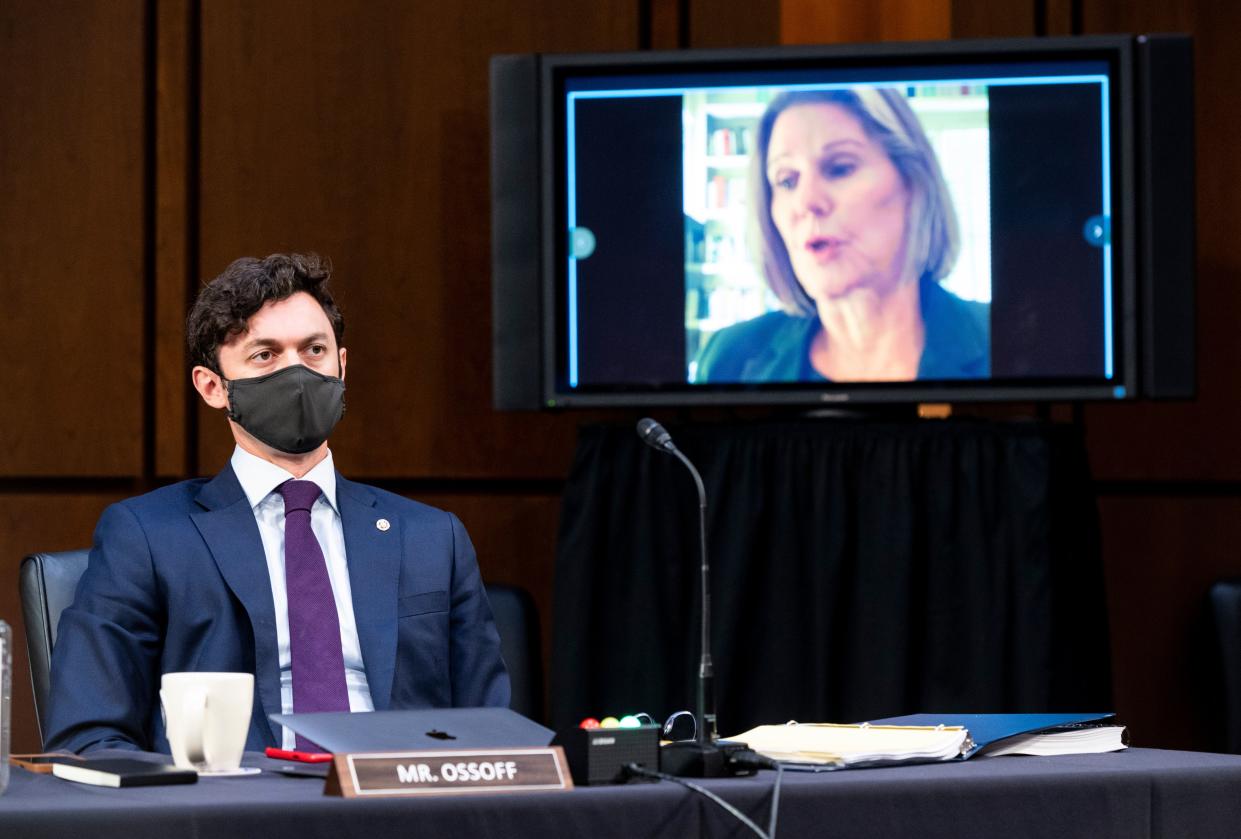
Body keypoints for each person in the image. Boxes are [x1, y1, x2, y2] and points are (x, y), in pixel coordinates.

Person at [44, 253, 510, 754]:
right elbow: (87, 738)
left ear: (342, 366)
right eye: (265, 355)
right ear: (213, 387)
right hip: (232, 812)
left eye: (314, 350)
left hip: (399, 809)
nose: (297, 373)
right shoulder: (147, 536)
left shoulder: (432, 538)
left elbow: (494, 736)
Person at [694, 88, 989, 383]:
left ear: (912, 184)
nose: (806, 201)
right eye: (786, 181)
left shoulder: (1006, 340)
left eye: (839, 168)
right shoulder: (730, 359)